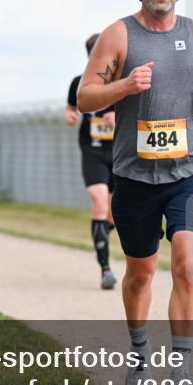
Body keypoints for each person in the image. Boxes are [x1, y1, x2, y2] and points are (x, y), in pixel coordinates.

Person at [77, 0, 193, 385]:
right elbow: (85, 97)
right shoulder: (118, 35)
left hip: (190, 170)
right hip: (135, 176)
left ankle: (181, 372)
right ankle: (140, 360)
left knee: (187, 262)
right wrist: (125, 85)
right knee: (141, 273)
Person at [66, 33, 118, 290]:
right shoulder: (79, 82)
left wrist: (118, 121)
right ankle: (105, 270)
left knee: (114, 213)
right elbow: (70, 107)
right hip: (93, 151)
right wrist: (70, 116)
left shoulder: (123, 82)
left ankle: (102, 234)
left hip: (121, 153)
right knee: (99, 202)